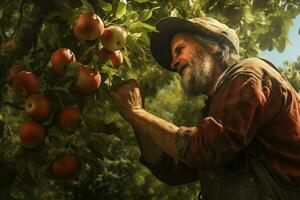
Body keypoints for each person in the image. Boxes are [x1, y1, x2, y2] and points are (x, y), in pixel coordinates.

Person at [109, 16, 300, 200]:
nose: (173, 62)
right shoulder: (215, 109)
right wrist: (136, 118)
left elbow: (205, 149)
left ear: (213, 45)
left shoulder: (249, 75)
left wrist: (136, 113)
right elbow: (173, 172)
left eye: (179, 49)